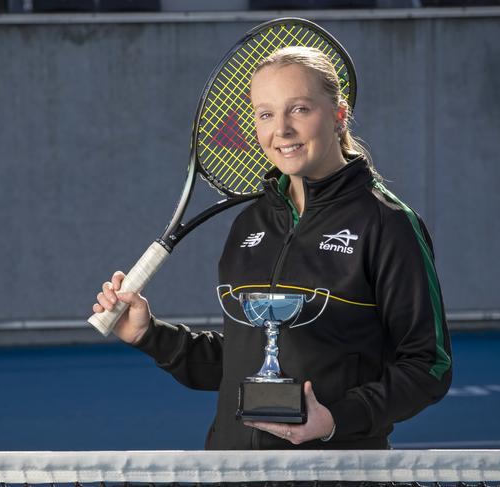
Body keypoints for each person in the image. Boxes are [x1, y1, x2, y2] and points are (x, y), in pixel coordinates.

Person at [92, 46, 452, 450]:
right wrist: (149, 335)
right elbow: (245, 359)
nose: (281, 129)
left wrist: (335, 419)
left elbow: (429, 366)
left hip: (333, 475)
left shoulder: (388, 223)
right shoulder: (252, 223)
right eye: (266, 114)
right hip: (233, 472)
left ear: (339, 114)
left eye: (298, 109)